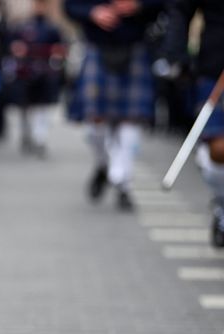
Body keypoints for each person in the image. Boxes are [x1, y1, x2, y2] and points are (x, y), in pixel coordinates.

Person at [64, 0, 163, 211]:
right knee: (95, 124)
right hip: (97, 46)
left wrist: (139, 6)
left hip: (135, 46)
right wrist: (92, 11)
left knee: (130, 122)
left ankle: (123, 183)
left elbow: (167, 5)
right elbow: (69, 5)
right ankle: (104, 164)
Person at [161, 0, 224, 246]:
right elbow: (180, 8)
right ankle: (222, 205)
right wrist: (176, 55)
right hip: (216, 65)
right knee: (219, 149)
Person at [4, 0, 65, 157]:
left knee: (43, 105)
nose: (39, 8)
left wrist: (56, 54)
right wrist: (17, 49)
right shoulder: (22, 27)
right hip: (26, 71)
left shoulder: (52, 28)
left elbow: (60, 49)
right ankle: (27, 134)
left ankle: (40, 137)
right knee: (25, 106)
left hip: (45, 71)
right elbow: (11, 46)